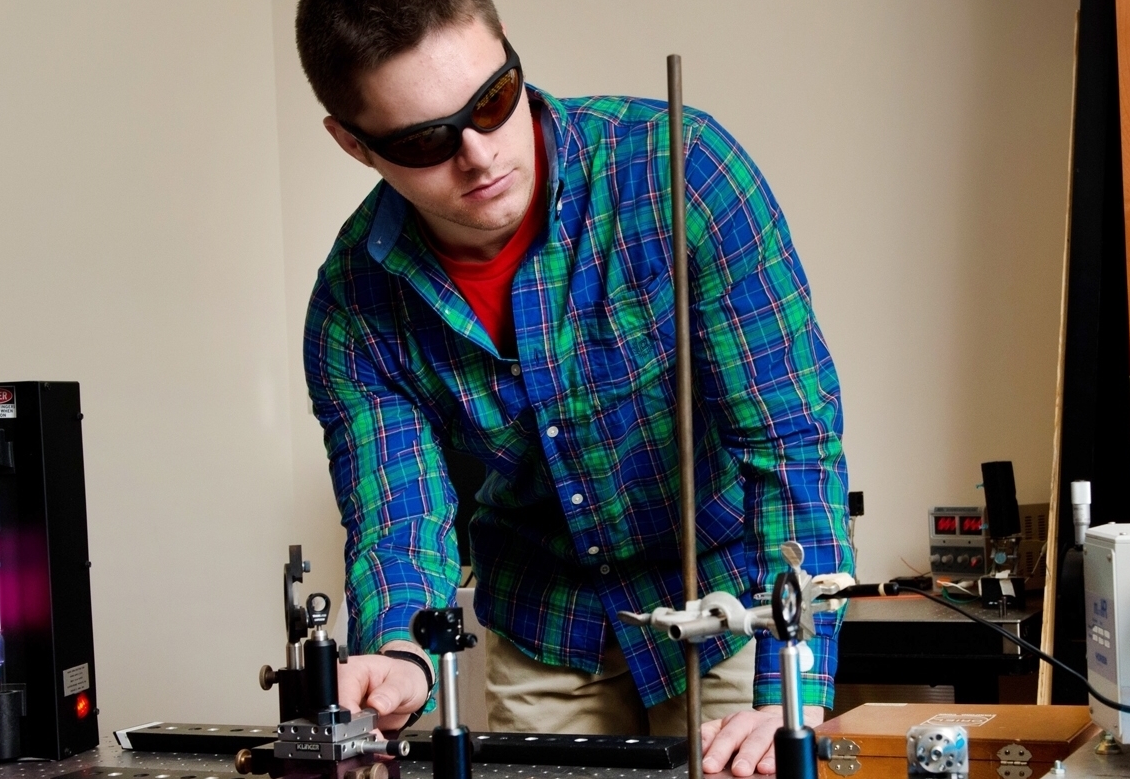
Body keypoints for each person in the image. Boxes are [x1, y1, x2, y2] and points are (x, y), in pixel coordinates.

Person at [294, 1, 850, 775]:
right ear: (355, 145)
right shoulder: (353, 305)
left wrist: (795, 680)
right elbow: (401, 513)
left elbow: (789, 437)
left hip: (731, 602)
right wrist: (403, 652)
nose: (481, 156)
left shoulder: (680, 168)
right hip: (547, 622)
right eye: (427, 140)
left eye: (493, 101)